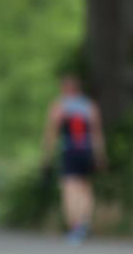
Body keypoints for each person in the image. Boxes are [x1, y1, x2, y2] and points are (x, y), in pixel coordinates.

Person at [41, 72, 107, 244]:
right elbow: (97, 134)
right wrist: (100, 156)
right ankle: (84, 222)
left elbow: (51, 133)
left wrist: (46, 157)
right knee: (85, 188)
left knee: (69, 189)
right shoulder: (90, 106)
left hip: (70, 150)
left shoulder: (60, 106)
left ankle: (75, 226)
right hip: (87, 151)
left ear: (64, 89)